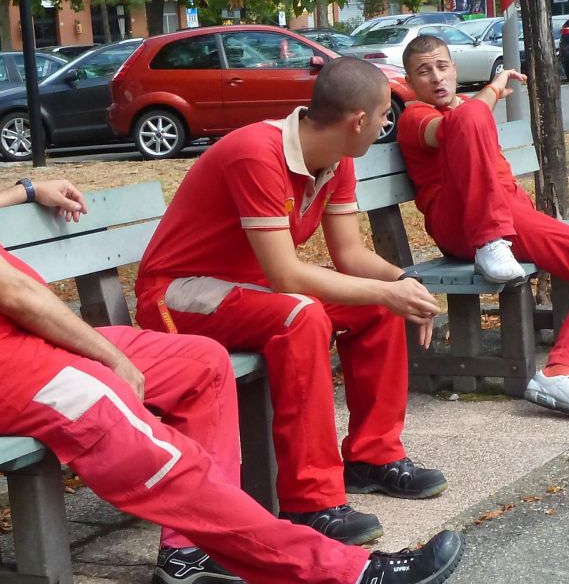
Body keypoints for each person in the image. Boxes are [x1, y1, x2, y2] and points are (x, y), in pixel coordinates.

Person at [0, 58, 464, 584]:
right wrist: (110, 357)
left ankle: (189, 552)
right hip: (7, 376)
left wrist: (24, 190)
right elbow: (16, 293)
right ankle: (349, 583)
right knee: (168, 460)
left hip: (29, 355)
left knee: (204, 364)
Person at [135, 58, 448, 548]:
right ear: (358, 121)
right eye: (386, 114)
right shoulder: (256, 153)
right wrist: (388, 289)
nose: (389, 123)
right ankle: (311, 501)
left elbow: (349, 255)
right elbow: (287, 275)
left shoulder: (338, 158)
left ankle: (372, 455)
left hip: (251, 290)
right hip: (178, 294)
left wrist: (403, 283)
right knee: (301, 317)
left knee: (380, 307)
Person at [397, 35, 569, 418]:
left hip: (510, 216)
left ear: (454, 69)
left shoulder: (465, 109)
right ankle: (490, 240)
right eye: (424, 72)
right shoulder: (416, 117)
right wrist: (491, 90)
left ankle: (563, 371)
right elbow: (454, 127)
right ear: (410, 82)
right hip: (460, 224)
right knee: (473, 115)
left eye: (442, 67)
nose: (436, 78)